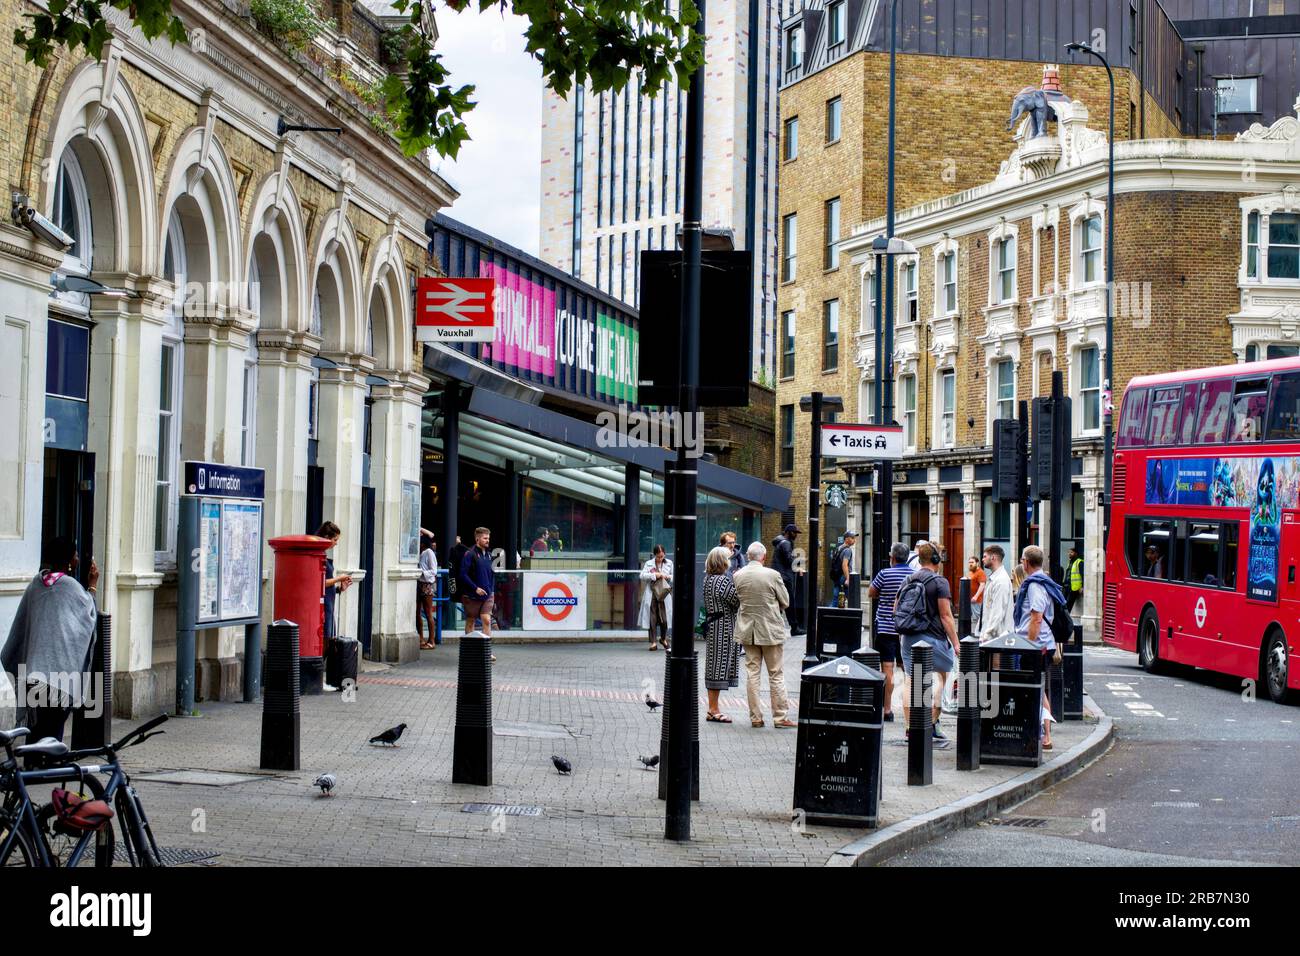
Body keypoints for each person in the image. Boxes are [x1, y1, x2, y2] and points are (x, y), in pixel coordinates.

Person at [1, 537, 99, 757]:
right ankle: (49, 769)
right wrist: (92, 586)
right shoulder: (71, 587)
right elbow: (88, 618)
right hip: (57, 676)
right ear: (70, 561)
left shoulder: (36, 585)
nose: (76, 557)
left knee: (35, 728)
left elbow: (21, 630)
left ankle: (32, 767)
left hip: (33, 673)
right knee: (52, 731)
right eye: (74, 554)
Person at [895, 542, 959, 742]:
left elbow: (896, 609)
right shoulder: (940, 582)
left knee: (910, 680)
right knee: (941, 676)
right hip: (934, 638)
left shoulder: (908, 579)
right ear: (935, 560)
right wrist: (956, 643)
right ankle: (930, 722)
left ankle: (909, 728)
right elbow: (946, 616)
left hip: (908, 638)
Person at [733, 542, 795, 728]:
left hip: (748, 630)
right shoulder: (773, 575)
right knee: (775, 673)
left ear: (749, 555)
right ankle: (780, 717)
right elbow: (785, 600)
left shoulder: (738, 575)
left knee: (753, 674)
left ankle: (756, 718)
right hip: (769, 630)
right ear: (764, 557)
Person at [1013, 546, 1064, 750]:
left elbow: (1036, 618)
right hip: (1043, 644)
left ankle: (1045, 735)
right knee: (1038, 689)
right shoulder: (1043, 581)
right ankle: (1042, 734)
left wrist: (1029, 647)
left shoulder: (1035, 585)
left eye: (1022, 560)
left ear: (1026, 562)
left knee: (1037, 690)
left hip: (1036, 645)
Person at [867, 542, 913, 722]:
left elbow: (871, 592)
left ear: (892, 557)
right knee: (908, 670)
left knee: (887, 669)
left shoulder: (885, 574)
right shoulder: (913, 574)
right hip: (907, 630)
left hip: (886, 628)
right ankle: (911, 709)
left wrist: (884, 595)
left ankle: (887, 710)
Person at [702, 546, 741, 722]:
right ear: (722, 562)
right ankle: (713, 709)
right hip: (723, 628)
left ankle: (713, 708)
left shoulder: (708, 579)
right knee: (718, 667)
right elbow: (736, 601)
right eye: (727, 559)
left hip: (714, 625)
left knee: (714, 666)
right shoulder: (722, 581)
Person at [459, 527, 496, 661]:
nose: (488, 540)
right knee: (471, 621)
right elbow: (462, 575)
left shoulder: (490, 554)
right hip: (473, 595)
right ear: (477, 539)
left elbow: (490, 573)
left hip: (488, 594)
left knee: (486, 619)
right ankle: (470, 651)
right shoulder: (470, 553)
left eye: (488, 538)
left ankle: (486, 652)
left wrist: (491, 590)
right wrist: (475, 588)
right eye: (485, 538)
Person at [315, 521, 352, 642]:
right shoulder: (318, 554)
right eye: (335, 540)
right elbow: (320, 582)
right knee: (324, 639)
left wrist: (339, 589)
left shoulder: (322, 553)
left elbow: (325, 585)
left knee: (328, 637)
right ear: (326, 537)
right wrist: (339, 578)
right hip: (322, 605)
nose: (336, 543)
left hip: (328, 604)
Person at [639, 544, 673, 651]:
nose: (660, 558)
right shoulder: (649, 564)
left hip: (663, 593)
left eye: (662, 556)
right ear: (654, 555)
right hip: (652, 593)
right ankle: (653, 642)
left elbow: (674, 575)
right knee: (652, 618)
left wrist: (668, 576)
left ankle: (663, 639)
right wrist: (655, 575)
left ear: (664, 554)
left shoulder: (669, 563)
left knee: (665, 618)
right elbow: (642, 575)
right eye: (658, 556)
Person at [978, 544, 1015, 641]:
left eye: (985, 556)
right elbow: (987, 609)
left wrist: (986, 636)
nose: (982, 559)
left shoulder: (1001, 580)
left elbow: (997, 612)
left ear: (993, 557)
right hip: (992, 638)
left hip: (997, 639)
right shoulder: (993, 578)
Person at [772, 524, 803, 636]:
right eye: (795, 533)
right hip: (785, 577)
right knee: (789, 602)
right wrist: (800, 562)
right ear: (789, 532)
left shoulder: (780, 542)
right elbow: (789, 560)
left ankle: (778, 627)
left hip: (779, 576)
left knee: (779, 602)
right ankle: (794, 628)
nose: (796, 535)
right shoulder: (786, 543)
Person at [416, 532, 439, 649]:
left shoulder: (429, 553)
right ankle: (420, 638)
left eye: (419, 543)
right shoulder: (420, 553)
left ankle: (431, 640)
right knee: (417, 612)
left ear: (423, 544)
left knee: (428, 612)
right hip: (418, 583)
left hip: (427, 584)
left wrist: (421, 573)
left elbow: (434, 570)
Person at [831, 531, 857, 608]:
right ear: (846, 539)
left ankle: (832, 614)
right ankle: (854, 615)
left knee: (836, 597)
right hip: (844, 576)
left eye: (854, 538)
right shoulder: (848, 550)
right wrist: (848, 579)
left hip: (837, 576)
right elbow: (844, 565)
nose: (854, 540)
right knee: (852, 598)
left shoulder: (839, 548)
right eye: (852, 538)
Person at [966, 556, 987, 631]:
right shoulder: (971, 572)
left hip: (977, 600)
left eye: (972, 562)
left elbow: (982, 585)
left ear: (977, 563)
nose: (970, 564)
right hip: (970, 600)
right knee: (974, 619)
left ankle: (979, 634)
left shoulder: (980, 572)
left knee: (978, 618)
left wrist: (976, 596)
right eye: (969, 562)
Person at [1066, 547, 1084, 614]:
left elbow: (1083, 574)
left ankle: (1066, 622)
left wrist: (1082, 586)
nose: (1069, 554)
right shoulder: (1070, 562)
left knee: (1068, 606)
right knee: (1064, 606)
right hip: (1067, 587)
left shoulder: (1079, 562)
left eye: (1071, 552)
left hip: (1075, 588)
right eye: (1069, 552)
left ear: (1075, 553)